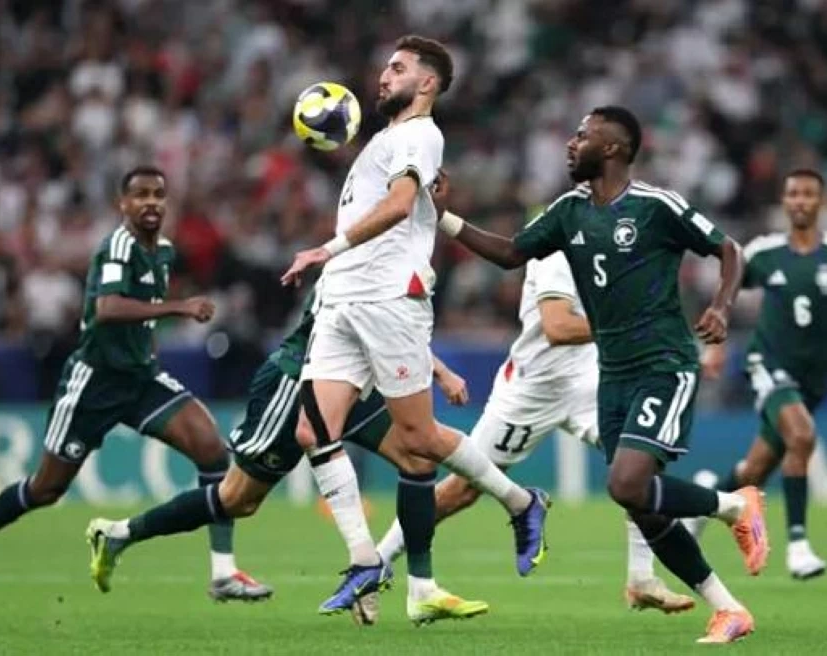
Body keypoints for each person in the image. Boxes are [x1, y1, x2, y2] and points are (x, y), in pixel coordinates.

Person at [431, 106, 770, 644]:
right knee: (639, 500)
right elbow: (511, 253)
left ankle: (733, 505)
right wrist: (444, 217)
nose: (571, 143)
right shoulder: (569, 211)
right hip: (613, 374)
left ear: (612, 148)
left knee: (626, 484)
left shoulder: (655, 206)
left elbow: (728, 249)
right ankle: (728, 609)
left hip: (663, 366)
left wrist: (722, 307)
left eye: (582, 135)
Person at [279, 35, 549, 622]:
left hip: (388, 300)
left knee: (419, 440)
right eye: (385, 66)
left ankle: (522, 502)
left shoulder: (421, 136)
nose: (384, 76)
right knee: (311, 431)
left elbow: (401, 204)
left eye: (398, 68)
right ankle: (363, 561)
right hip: (342, 300)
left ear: (427, 83)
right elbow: (413, 206)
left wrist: (326, 249)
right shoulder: (385, 139)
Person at [0, 166, 268, 603]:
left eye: (158, 194)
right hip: (94, 383)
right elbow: (108, 308)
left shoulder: (163, 251)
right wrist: (180, 307)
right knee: (45, 488)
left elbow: (141, 315)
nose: (150, 202)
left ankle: (223, 573)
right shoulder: (118, 247)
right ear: (122, 204)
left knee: (211, 448)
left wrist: (148, 348)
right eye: (140, 195)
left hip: (141, 378)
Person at [85, 284, 500, 625]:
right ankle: (121, 533)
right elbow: (377, 330)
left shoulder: (392, 254)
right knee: (237, 500)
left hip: (352, 383)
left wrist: (436, 369)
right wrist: (440, 371)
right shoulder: (356, 262)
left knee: (418, 457)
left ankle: (419, 589)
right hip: (297, 383)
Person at [376, 245, 694, 614]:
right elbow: (558, 327)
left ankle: (641, 579)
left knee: (640, 464)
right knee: (461, 490)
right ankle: (377, 561)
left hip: (588, 380)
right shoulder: (555, 251)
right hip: (531, 389)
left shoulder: (608, 245)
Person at [692, 169, 827, 579]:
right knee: (802, 436)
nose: (800, 201)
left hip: (815, 377)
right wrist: (716, 344)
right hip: (768, 363)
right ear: (784, 201)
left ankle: (701, 503)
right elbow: (726, 291)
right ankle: (798, 546)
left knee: (754, 471)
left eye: (808, 194)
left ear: (821, 201)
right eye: (793, 194)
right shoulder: (764, 252)